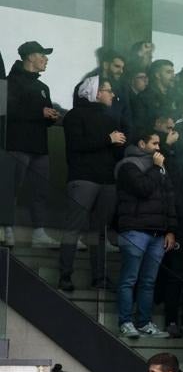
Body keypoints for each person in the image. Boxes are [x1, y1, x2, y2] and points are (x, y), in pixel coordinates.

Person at [57, 76, 123, 292]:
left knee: (99, 231)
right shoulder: (74, 116)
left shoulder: (111, 118)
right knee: (73, 228)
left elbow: (116, 151)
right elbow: (77, 145)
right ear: (95, 93)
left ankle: (100, 277)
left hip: (106, 181)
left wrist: (118, 142)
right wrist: (108, 140)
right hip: (83, 178)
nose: (112, 94)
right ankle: (65, 275)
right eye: (108, 90)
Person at [114, 129, 177, 339]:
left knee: (148, 282)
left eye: (159, 144)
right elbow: (143, 189)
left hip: (158, 234)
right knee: (129, 279)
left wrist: (171, 230)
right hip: (134, 231)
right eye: (155, 144)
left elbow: (169, 199)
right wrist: (156, 169)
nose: (159, 148)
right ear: (142, 144)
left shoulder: (160, 168)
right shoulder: (128, 165)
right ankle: (125, 322)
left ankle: (144, 322)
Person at [2, 42, 59, 249]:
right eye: (42, 55)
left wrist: (51, 116)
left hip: (40, 148)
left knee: (40, 191)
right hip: (16, 145)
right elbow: (5, 112)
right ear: (30, 57)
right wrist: (39, 113)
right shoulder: (9, 82)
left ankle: (39, 232)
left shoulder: (43, 87)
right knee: (11, 189)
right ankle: (6, 228)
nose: (46, 59)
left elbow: (44, 113)